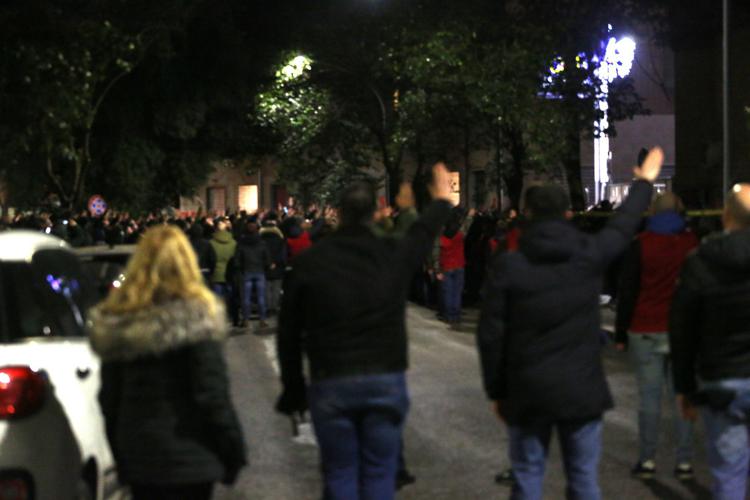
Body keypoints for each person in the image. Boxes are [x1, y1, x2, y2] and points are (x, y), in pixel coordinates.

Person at [477, 147, 664, 500]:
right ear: (567, 214)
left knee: (528, 477)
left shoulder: (510, 265)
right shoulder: (587, 255)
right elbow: (623, 226)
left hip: (527, 389)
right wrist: (643, 184)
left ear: (528, 216)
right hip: (581, 389)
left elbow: (491, 333)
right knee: (583, 481)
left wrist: (496, 389)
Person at [276, 163, 454, 500]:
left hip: (331, 378)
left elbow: (288, 333)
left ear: (339, 214)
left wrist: (293, 388)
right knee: (379, 474)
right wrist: (441, 200)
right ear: (375, 212)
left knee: (340, 472)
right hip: (384, 377)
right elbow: (422, 234)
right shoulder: (391, 253)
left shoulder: (311, 262)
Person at [88, 225, 247, 500]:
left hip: (141, 457)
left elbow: (109, 399)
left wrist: (120, 455)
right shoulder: (197, 319)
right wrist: (233, 452)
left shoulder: (119, 323)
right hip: (192, 459)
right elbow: (212, 395)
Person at [670, 183, 750, 500]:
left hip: (723, 379)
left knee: (728, 475)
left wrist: (684, 386)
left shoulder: (701, 261)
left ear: (726, 216)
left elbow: (683, 329)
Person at [615, 192, 698, 480]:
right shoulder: (691, 244)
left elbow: (628, 290)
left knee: (648, 398)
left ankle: (647, 460)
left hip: (645, 327)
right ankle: (684, 462)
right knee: (682, 396)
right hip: (683, 331)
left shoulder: (641, 245)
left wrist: (621, 331)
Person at [234, 220, 271, 329]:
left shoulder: (241, 243)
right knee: (261, 297)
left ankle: (245, 320)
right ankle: (262, 320)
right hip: (259, 271)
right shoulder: (262, 243)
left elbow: (237, 259)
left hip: (246, 271)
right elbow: (267, 258)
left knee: (246, 298)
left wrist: (239, 269)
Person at [260, 213, 288, 315]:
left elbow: (261, 253)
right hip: (278, 266)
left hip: (265, 267)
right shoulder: (280, 239)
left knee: (267, 288)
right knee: (276, 288)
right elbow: (283, 254)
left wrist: (267, 263)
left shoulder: (261, 239)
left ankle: (267, 307)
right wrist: (277, 263)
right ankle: (274, 307)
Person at [210, 217, 237, 319]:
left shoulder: (211, 243)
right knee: (230, 295)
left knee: (217, 296)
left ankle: (218, 315)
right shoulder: (233, 242)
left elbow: (211, 259)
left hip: (216, 273)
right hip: (229, 273)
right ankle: (230, 313)